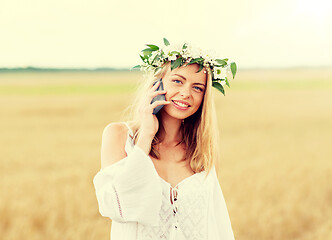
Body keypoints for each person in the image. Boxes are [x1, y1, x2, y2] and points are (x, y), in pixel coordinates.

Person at [93, 39, 237, 240]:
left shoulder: (202, 151)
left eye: (197, 88)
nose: (186, 93)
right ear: (156, 84)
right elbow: (116, 206)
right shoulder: (118, 136)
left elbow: (217, 226)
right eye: (177, 81)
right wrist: (146, 136)